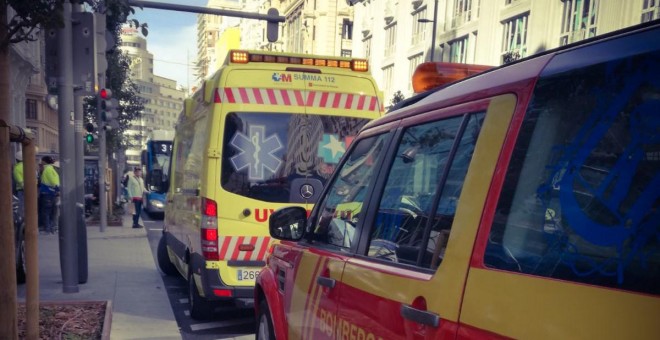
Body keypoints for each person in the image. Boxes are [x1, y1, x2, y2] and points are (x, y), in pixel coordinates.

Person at [39, 156, 60, 234]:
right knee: (52, 212)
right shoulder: (51, 169)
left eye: (42, 160)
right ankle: (52, 228)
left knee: (46, 212)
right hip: (52, 193)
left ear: (44, 161)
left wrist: (57, 188)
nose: (41, 162)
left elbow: (53, 182)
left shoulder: (47, 169)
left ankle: (47, 229)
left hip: (47, 193)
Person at [13, 151, 24, 218]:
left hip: (22, 190)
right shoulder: (30, 166)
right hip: (32, 190)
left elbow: (20, 181)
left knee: (22, 207)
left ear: (16, 159)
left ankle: (22, 221)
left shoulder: (17, 168)